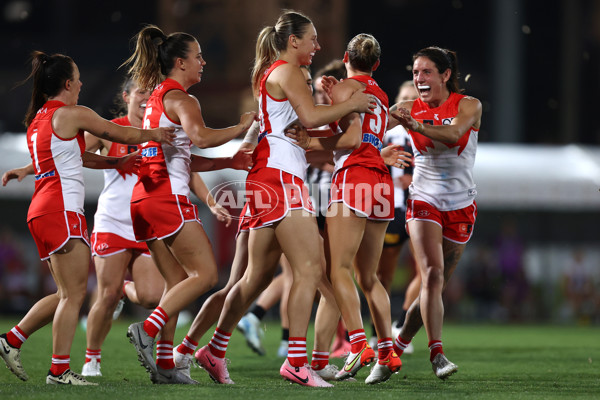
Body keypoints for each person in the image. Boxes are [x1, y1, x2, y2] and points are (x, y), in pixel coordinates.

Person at [194, 10, 375, 388]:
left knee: (255, 278)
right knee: (310, 270)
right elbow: (309, 119)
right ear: (293, 41)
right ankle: (296, 362)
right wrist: (350, 105)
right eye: (312, 39)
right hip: (280, 178)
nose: (318, 46)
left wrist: (331, 109)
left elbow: (302, 125)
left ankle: (213, 350)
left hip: (270, 175)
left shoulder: (276, 72)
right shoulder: (288, 71)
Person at [0, 51, 174, 385]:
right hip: (61, 210)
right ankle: (58, 371)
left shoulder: (39, 118)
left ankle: (12, 340)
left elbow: (78, 157)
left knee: (66, 293)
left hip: (42, 210)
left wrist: (115, 164)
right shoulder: (72, 113)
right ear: (67, 84)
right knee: (74, 295)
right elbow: (117, 133)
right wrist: (154, 135)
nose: (81, 83)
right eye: (77, 78)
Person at [121, 24, 256, 385]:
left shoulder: (155, 100)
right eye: (198, 57)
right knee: (207, 276)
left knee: (176, 282)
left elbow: (183, 159)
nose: (203, 62)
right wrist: (240, 128)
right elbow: (201, 137)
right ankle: (147, 330)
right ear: (180, 62)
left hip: (143, 199)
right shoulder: (182, 98)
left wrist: (228, 163)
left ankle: (165, 365)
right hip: (167, 199)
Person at [79, 77, 235, 378]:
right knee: (107, 294)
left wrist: (210, 200)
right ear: (126, 96)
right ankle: (92, 359)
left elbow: (185, 166)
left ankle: (155, 343)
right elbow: (75, 153)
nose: (146, 98)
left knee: (155, 294)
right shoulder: (114, 129)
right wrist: (115, 162)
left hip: (150, 219)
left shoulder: (161, 130)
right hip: (114, 222)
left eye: (150, 94)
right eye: (140, 92)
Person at [389, 46, 481, 380]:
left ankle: (395, 349)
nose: (419, 78)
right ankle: (437, 354)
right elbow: (365, 132)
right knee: (431, 275)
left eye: (426, 71)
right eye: (415, 72)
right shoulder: (405, 108)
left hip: (460, 205)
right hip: (423, 200)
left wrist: (417, 125)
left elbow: (454, 134)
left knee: (435, 285)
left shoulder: (469, 105)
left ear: (445, 75)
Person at [315, 33, 401, 384]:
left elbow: (347, 139)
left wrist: (305, 138)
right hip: (382, 181)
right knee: (370, 278)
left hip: (353, 177)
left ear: (345, 57)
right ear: (376, 64)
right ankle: (386, 352)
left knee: (338, 270)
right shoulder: (380, 94)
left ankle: (357, 344)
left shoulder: (343, 89)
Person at [370, 80, 419, 352]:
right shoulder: (385, 134)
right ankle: (378, 333)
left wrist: (415, 178)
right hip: (390, 212)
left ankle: (400, 325)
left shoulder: (426, 133)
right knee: (381, 276)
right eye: (405, 98)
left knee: (428, 272)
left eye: (414, 99)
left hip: (421, 211)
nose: (409, 104)